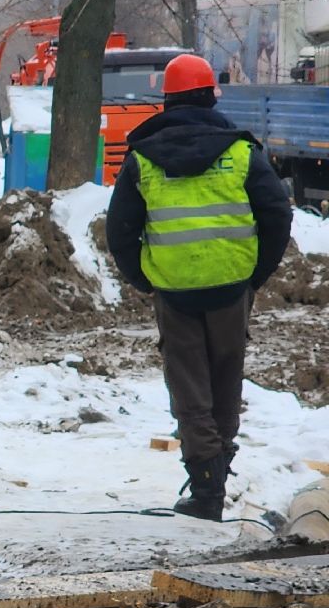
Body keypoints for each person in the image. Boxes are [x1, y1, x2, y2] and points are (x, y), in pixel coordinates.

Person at [106, 52, 291, 521]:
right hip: (232, 286)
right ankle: (218, 472)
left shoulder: (142, 158)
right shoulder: (241, 152)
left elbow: (120, 229)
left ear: (165, 102)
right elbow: (277, 214)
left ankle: (205, 488)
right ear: (211, 96)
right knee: (226, 381)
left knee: (190, 388)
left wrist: (146, 279)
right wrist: (256, 274)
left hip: (175, 290)